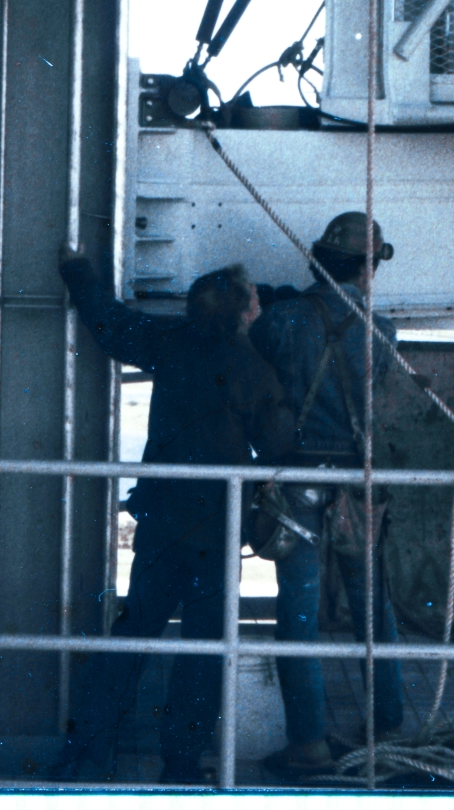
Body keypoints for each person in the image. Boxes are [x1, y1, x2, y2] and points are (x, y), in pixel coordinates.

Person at [52, 253, 294, 785]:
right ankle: (181, 763)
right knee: (204, 646)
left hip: (162, 521)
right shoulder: (252, 370)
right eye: (252, 298)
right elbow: (278, 444)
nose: (258, 304)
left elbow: (111, 326)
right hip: (217, 526)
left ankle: (87, 750)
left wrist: (82, 278)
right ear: (239, 314)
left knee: (136, 630)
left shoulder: (171, 343)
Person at [248, 211, 403, 780]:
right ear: (368, 267)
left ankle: (308, 743)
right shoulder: (384, 332)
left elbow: (263, 355)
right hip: (357, 483)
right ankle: (389, 728)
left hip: (296, 481)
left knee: (300, 610)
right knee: (372, 607)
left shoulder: (282, 321)